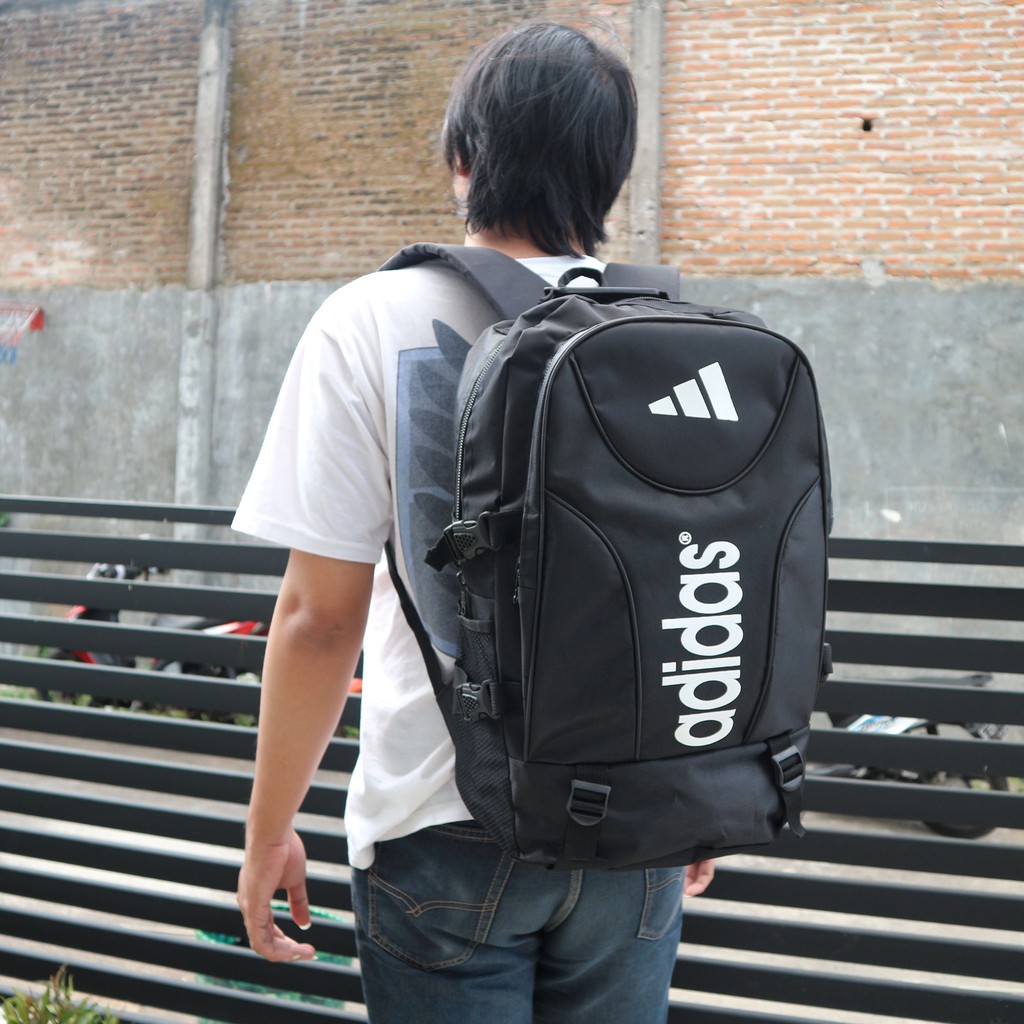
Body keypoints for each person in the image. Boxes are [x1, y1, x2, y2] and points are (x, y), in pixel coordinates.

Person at [234, 21, 714, 1023]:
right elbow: (698, 572)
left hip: (441, 822)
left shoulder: (371, 318)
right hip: (637, 822)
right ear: (611, 172)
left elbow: (319, 618)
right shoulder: (664, 331)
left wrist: (269, 828)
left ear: (464, 157)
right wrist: (693, 786)